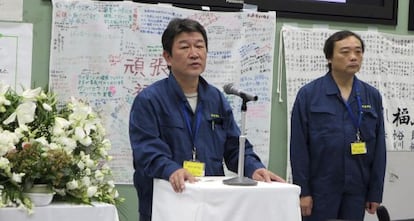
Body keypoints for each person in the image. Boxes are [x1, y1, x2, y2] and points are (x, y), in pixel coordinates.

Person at [129, 18, 285, 221]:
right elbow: (146, 150)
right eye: (185, 47)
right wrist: (172, 169)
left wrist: (254, 168)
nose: (194, 53)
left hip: (210, 205)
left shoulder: (215, 98)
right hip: (165, 202)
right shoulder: (149, 100)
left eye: (200, 46)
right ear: (168, 57)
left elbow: (234, 146)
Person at [289, 30, 386, 221]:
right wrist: (303, 191)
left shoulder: (371, 96)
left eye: (358, 52)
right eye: (345, 52)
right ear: (329, 57)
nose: (353, 57)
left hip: (356, 190)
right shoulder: (309, 95)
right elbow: (299, 148)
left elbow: (379, 148)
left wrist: (375, 192)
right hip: (320, 190)